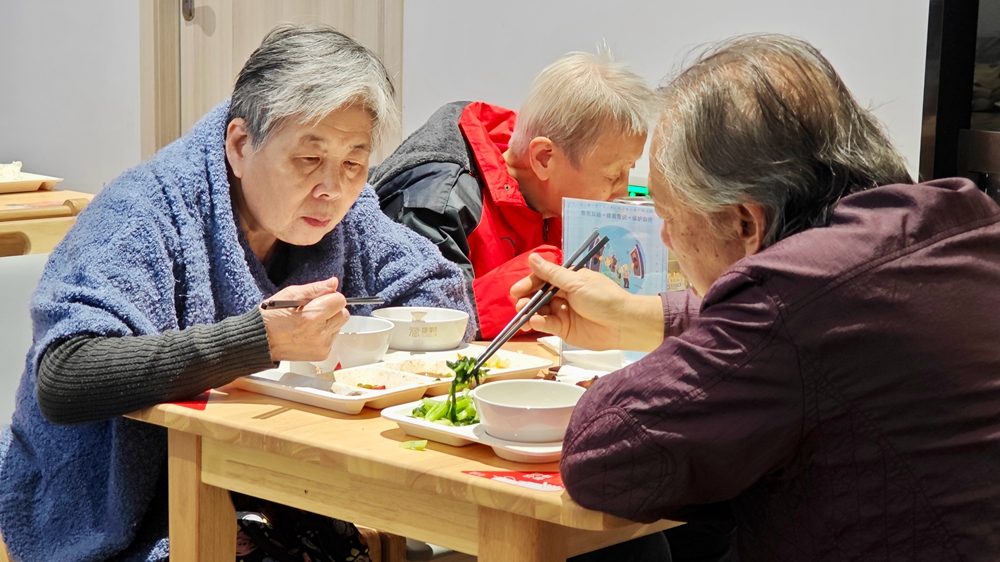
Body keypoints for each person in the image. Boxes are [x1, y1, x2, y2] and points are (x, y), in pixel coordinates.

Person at [512, 33, 1000, 562]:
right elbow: (817, 328)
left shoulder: (787, 297)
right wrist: (640, 317)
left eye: (670, 218)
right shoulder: (960, 217)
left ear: (745, 221)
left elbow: (604, 455)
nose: (668, 239)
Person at [0, 25, 475, 562]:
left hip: (275, 483)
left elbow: (438, 294)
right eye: (307, 158)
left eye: (354, 161)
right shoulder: (146, 211)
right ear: (241, 144)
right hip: (114, 504)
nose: (332, 188)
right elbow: (66, 375)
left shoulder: (348, 208)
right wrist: (258, 339)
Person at [370, 51, 653, 338]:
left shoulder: (558, 187)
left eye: (629, 169)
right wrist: (539, 283)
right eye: (613, 174)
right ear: (544, 158)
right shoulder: (437, 201)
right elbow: (418, 321)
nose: (622, 191)